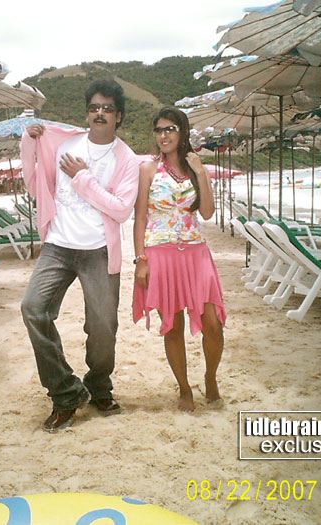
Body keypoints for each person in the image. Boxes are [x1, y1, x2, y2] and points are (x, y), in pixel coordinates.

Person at [20, 79, 140, 432]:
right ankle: (66, 392)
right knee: (33, 309)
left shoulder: (127, 159)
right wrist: (28, 142)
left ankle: (99, 386)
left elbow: (121, 210)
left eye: (107, 108)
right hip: (58, 246)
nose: (99, 113)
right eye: (94, 108)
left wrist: (83, 178)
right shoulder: (65, 145)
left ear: (119, 116)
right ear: (87, 113)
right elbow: (35, 183)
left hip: (98, 250)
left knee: (103, 327)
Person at [132, 106, 227, 412]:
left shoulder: (195, 167)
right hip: (160, 254)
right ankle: (185, 389)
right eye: (159, 130)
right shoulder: (148, 169)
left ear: (182, 131)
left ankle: (210, 378)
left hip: (196, 253)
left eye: (170, 129)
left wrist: (201, 173)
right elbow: (140, 217)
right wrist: (140, 260)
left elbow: (208, 213)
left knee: (212, 322)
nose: (163, 135)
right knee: (172, 325)